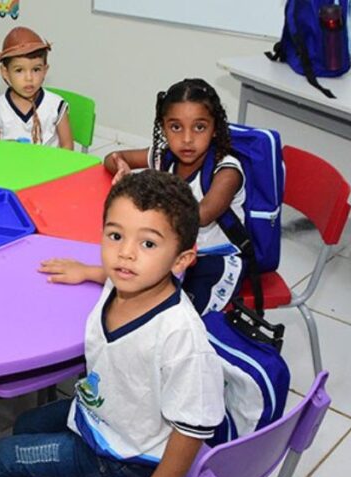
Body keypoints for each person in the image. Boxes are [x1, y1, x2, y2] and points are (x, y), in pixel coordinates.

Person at [0, 171, 258, 477]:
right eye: (115, 236)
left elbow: (193, 430)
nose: (126, 253)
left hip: (127, 459)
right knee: (24, 425)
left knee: (2, 459)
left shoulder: (181, 338)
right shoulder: (125, 279)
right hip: (104, 415)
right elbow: (116, 273)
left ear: (182, 260)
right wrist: (87, 271)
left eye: (148, 244)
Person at [45, 79, 246, 314]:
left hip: (211, 258)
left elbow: (198, 217)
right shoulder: (165, 156)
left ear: (215, 129)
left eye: (199, 127)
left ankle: (92, 275)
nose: (187, 139)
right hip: (170, 250)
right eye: (176, 127)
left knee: (167, 311)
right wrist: (121, 166)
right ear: (163, 127)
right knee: (131, 275)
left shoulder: (227, 170)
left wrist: (142, 188)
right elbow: (113, 156)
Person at [0, 26, 74, 149]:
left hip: (50, 167)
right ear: (5, 72)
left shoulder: (56, 106)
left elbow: (67, 146)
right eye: (19, 70)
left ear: (45, 70)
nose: (29, 78)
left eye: (36, 69)